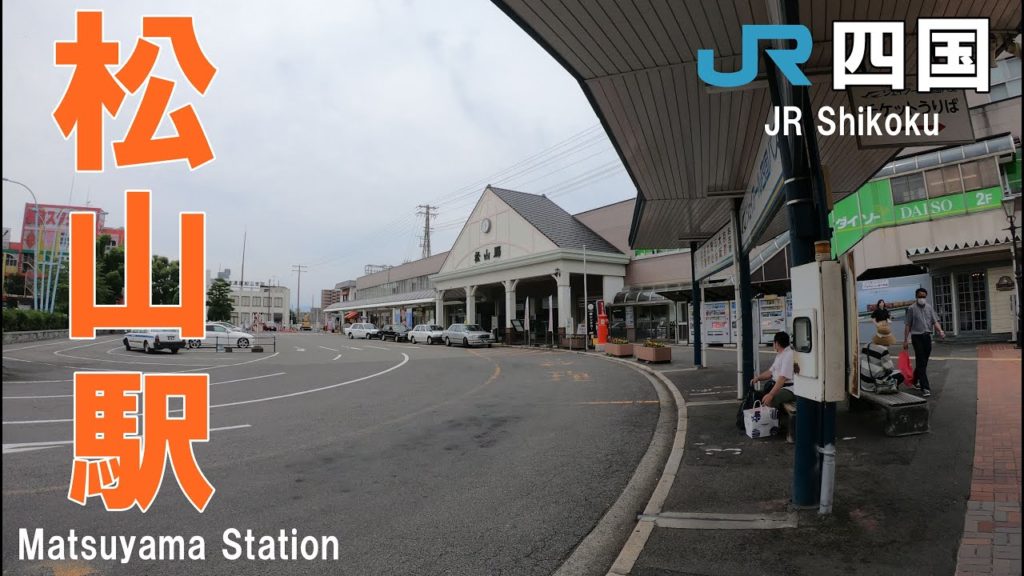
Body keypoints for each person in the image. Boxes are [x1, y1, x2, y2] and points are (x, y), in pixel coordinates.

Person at [903, 288, 946, 397]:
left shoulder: (929, 307)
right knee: (921, 360)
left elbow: (935, 321)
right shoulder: (911, 309)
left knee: (923, 361)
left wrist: (940, 331)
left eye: (924, 296)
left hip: (927, 337)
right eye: (920, 296)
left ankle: (914, 380)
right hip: (916, 337)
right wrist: (905, 340)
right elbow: (908, 325)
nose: (922, 298)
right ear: (916, 297)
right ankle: (925, 387)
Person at [750, 331, 795, 409]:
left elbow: (782, 378)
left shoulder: (789, 355)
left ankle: (774, 420)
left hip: (789, 389)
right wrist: (758, 378)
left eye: (774, 343)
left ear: (777, 343)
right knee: (758, 396)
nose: (773, 345)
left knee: (769, 400)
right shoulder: (780, 354)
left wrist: (771, 395)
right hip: (779, 385)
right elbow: (770, 372)